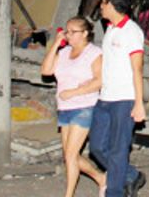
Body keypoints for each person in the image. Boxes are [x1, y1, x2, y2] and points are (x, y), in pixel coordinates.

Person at [89, 0, 146, 197]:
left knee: (117, 151)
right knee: (96, 147)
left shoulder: (132, 31)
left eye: (103, 3)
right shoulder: (111, 29)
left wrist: (139, 103)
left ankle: (115, 193)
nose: (100, 7)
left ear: (111, 4)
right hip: (105, 98)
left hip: (124, 99)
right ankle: (131, 175)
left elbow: (137, 68)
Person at [41, 16, 107, 197]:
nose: (68, 35)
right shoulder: (64, 53)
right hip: (64, 107)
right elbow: (46, 71)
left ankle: (69, 195)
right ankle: (101, 178)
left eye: (72, 32)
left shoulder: (94, 53)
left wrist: (74, 92)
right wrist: (56, 45)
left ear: (85, 33)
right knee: (70, 156)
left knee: (71, 155)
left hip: (84, 106)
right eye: (66, 31)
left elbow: (100, 80)